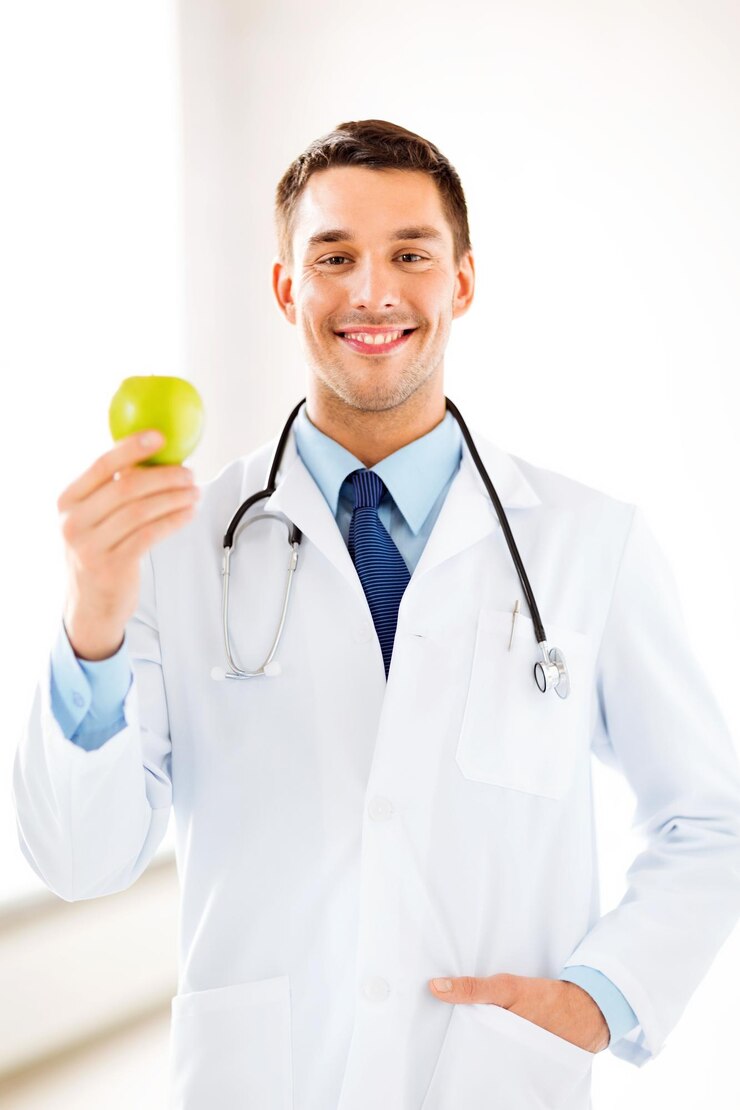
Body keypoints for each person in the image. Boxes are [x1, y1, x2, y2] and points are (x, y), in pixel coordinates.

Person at [12, 119, 740, 1110]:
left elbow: (709, 818)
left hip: (492, 1083)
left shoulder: (586, 542)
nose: (371, 292)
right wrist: (92, 616)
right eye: (333, 257)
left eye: (409, 254)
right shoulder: (174, 550)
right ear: (286, 289)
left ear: (462, 283)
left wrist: (601, 999)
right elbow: (80, 861)